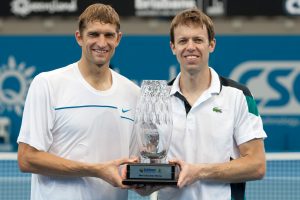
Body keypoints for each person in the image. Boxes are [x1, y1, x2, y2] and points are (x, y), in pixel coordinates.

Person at [17, 3, 139, 200]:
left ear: (118, 39)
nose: (102, 42)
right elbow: (26, 159)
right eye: (93, 34)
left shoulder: (134, 93)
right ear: (79, 37)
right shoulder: (47, 84)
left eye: (109, 35)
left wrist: (149, 181)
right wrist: (95, 170)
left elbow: (133, 165)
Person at [152, 7, 267, 200]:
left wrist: (198, 171)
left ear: (211, 44)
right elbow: (150, 165)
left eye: (198, 40)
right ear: (173, 47)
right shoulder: (157, 98)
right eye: (182, 41)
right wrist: (142, 183)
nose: (190, 47)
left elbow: (257, 165)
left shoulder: (238, 96)